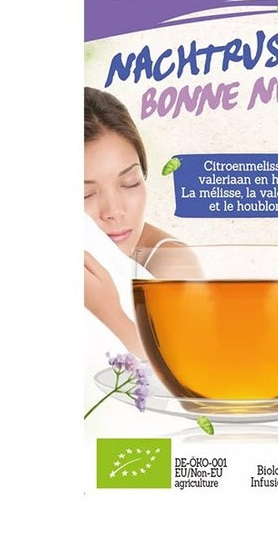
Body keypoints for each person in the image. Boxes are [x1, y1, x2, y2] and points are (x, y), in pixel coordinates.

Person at [83, 86, 197, 357]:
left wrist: (110, 313)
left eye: (130, 183)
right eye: (86, 194)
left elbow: (182, 373)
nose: (114, 211)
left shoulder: (171, 264)